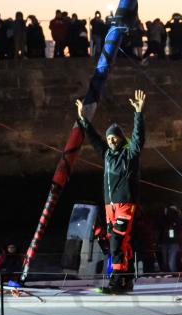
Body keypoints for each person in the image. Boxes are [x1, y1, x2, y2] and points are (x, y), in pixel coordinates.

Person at [75, 90, 146, 293]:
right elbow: (93, 137)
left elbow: (139, 139)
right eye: (109, 139)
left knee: (117, 240)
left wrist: (138, 113)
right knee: (116, 243)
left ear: (121, 138)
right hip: (109, 206)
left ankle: (116, 281)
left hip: (125, 203)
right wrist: (83, 119)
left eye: (114, 137)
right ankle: (127, 279)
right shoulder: (106, 154)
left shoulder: (129, 154)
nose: (111, 141)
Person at [157, 205, 182, 272]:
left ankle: (174, 277)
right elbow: (160, 227)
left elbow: (180, 224)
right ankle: (168, 275)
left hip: (174, 243)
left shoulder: (177, 219)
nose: (171, 213)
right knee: (165, 262)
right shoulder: (164, 218)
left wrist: (178, 213)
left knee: (171, 263)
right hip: (165, 242)